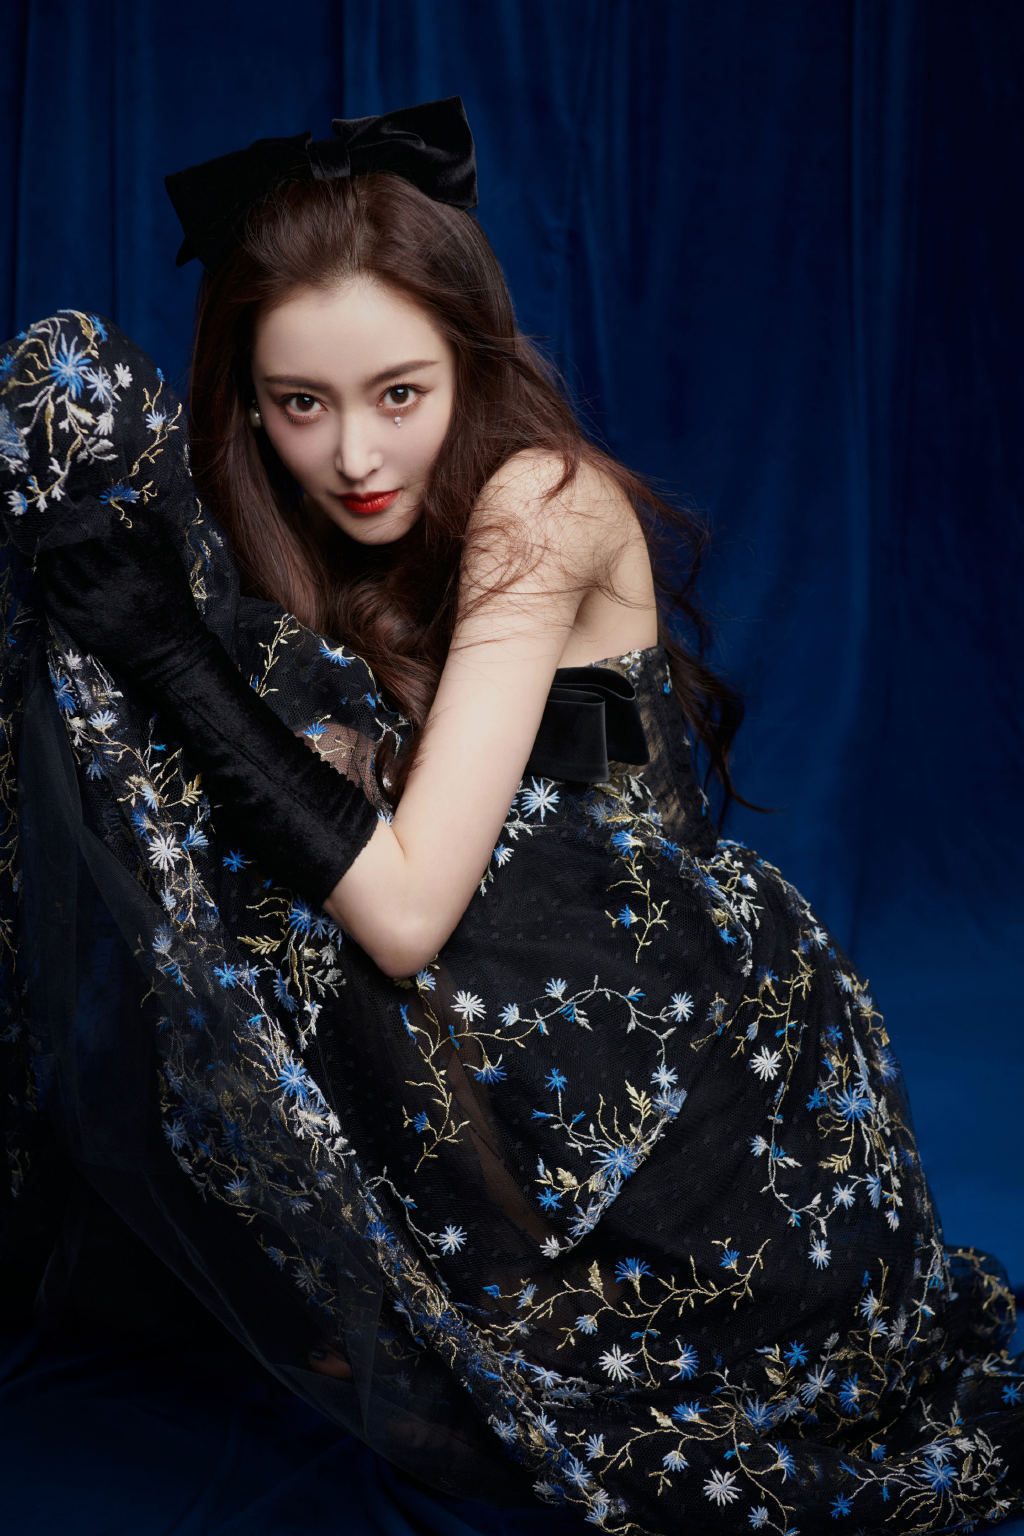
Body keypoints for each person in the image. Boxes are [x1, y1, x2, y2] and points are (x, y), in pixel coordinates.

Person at [2, 98, 1022, 1535]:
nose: (355, 456)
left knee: (313, 846)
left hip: (701, 1090)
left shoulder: (541, 500)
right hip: (546, 1066)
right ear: (250, 402)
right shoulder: (311, 538)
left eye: (399, 394)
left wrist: (172, 661)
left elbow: (411, 912)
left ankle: (550, 1319)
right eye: (301, 404)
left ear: (471, 362)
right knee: (240, 813)